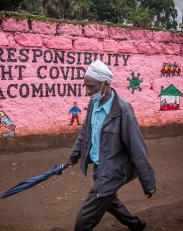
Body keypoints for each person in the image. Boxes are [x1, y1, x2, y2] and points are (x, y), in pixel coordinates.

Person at [69, 60, 156, 231]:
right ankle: (136, 225)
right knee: (109, 201)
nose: (87, 91)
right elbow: (86, 131)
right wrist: (75, 154)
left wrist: (148, 182)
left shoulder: (123, 110)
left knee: (84, 220)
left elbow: (137, 147)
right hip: (100, 167)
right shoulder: (94, 102)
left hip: (114, 171)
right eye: (85, 86)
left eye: (91, 86)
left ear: (105, 84)